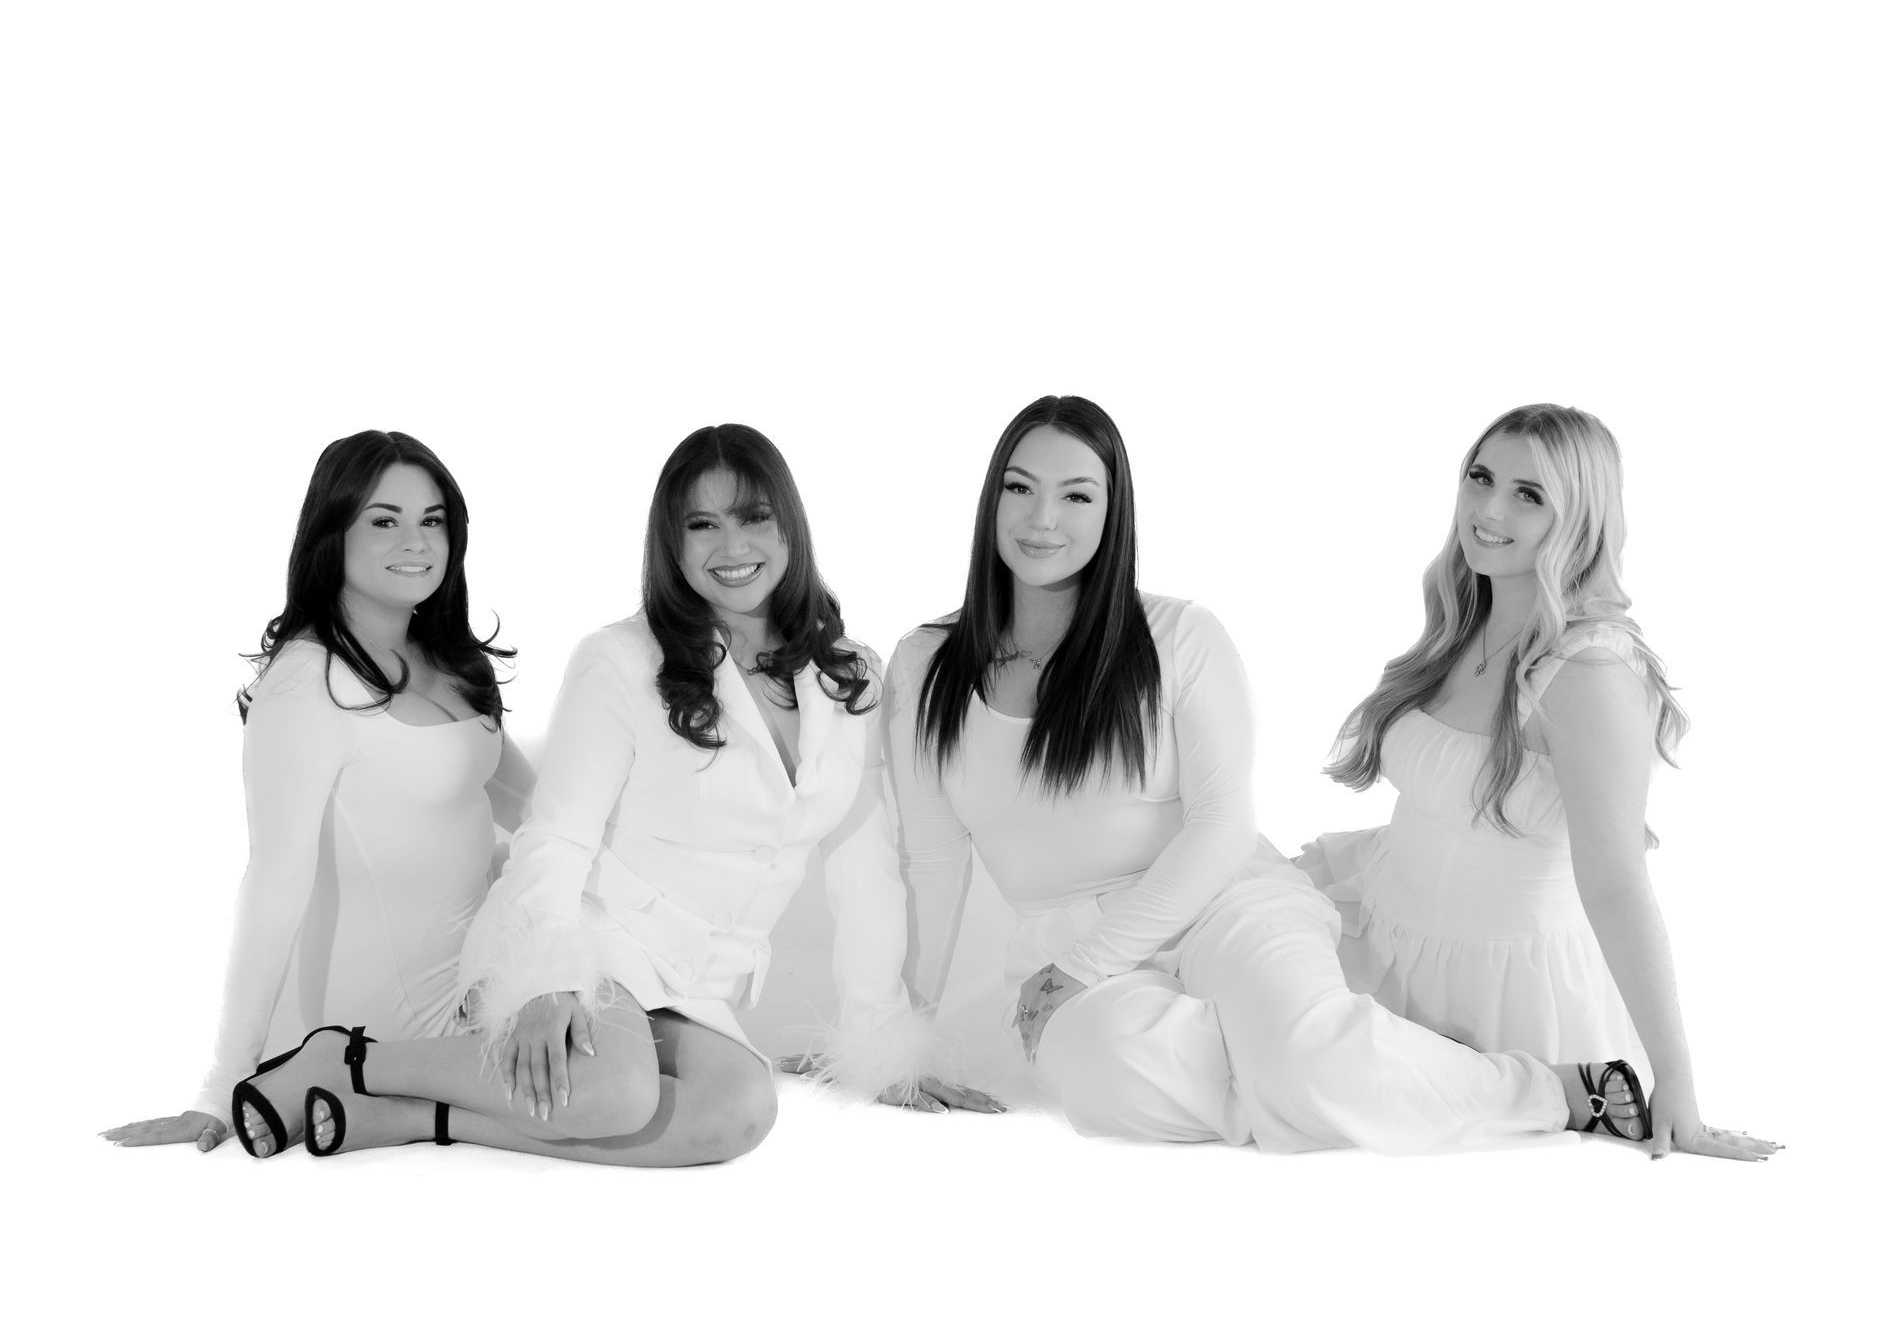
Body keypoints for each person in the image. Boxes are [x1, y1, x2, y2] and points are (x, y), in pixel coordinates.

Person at [886, 394, 1680, 1157]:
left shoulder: (1179, 636)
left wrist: (1089, 966)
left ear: (1112, 513)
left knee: (1306, 1056)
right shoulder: (924, 665)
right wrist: (904, 1041)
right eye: (1019, 488)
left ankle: (1546, 1092)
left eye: (1076, 495)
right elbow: (930, 861)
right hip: (1062, 931)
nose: (1042, 519)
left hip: (1224, 895)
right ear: (990, 499)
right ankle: (1371, 1072)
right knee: (1107, 1079)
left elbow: (1221, 825)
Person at [224, 423, 987, 1167]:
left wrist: (882, 1041)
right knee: (620, 1092)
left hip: (692, 979)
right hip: (590, 934)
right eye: (702, 524)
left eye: (754, 517)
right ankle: (349, 1060)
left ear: (790, 526)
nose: (732, 547)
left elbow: (864, 863)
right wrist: (546, 978)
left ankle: (394, 1117)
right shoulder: (621, 659)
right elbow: (554, 835)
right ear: (671, 540)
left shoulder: (850, 675)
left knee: (741, 1112)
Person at [1303, 402, 1777, 1160]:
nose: (1487, 510)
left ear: (1581, 518)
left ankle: (1559, 1089)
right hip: (1379, 928)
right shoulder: (1466, 617)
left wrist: (1677, 1084)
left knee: (1298, 1088)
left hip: (1493, 994)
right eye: (1480, 477)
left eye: (1530, 495)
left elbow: (1617, 883)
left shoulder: (1588, 671)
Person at [102, 430, 532, 1155]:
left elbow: (541, 809)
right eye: (384, 520)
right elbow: (273, 882)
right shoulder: (308, 683)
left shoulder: (449, 661)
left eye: (433, 521)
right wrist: (218, 1084)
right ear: (333, 533)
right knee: (608, 1098)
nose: (416, 541)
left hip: (473, 997)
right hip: (364, 1033)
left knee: (643, 1070)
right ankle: (355, 1095)